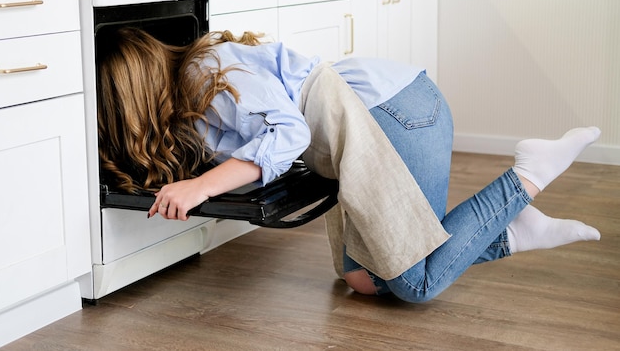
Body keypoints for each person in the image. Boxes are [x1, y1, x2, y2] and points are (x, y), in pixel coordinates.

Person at [97, 27, 601, 303]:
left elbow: (288, 132)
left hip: (395, 114)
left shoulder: (208, 71)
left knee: (414, 283)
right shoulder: (195, 98)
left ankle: (525, 178)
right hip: (360, 130)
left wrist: (202, 186)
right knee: (360, 280)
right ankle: (510, 231)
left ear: (136, 94)